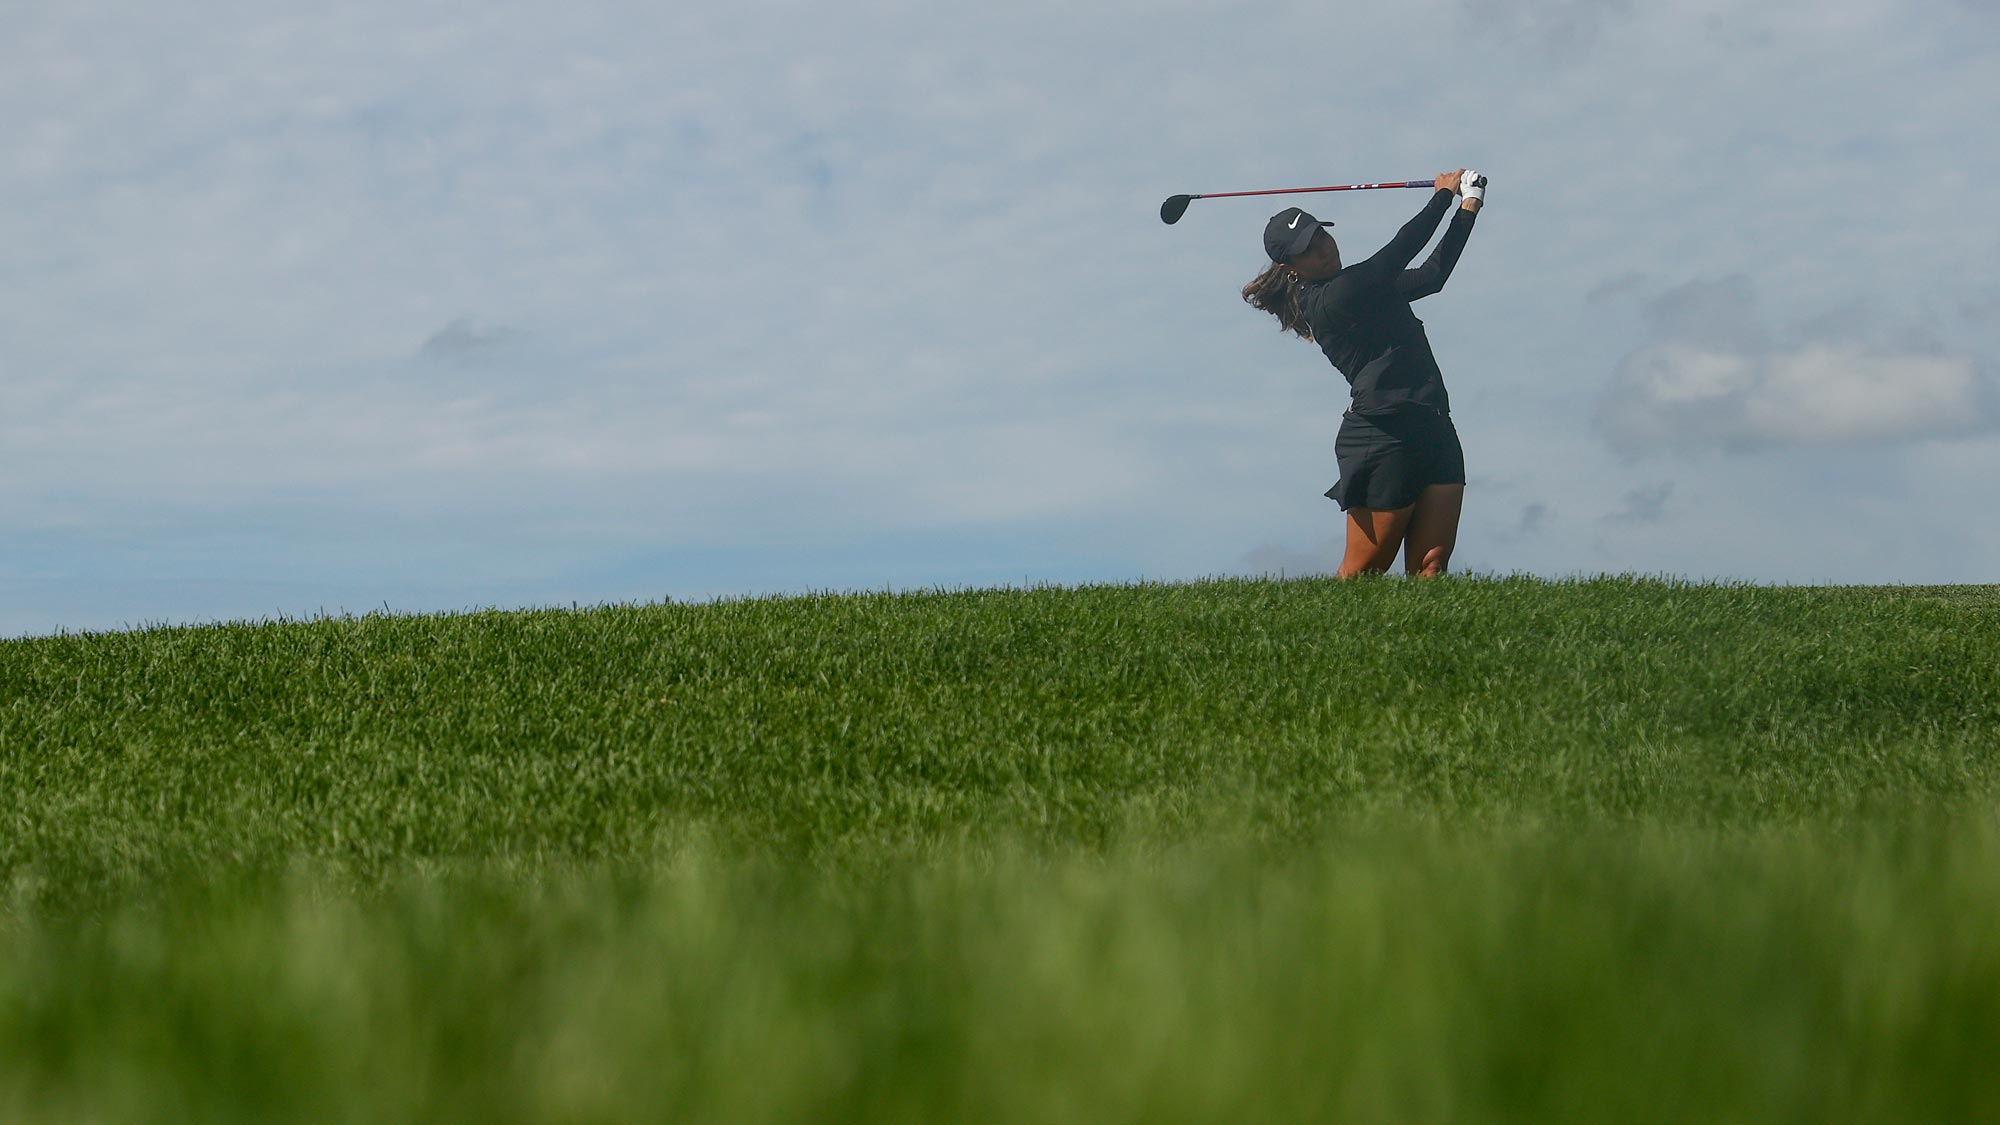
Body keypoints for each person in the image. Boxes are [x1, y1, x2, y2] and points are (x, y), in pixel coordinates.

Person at [1242, 170, 1485, 577]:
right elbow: (1397, 254)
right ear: (1291, 268)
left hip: (1433, 422)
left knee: (1432, 566)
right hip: (1381, 435)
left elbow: (1432, 277)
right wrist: (1442, 196)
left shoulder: (1359, 284)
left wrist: (1468, 206)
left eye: (1321, 236)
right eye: (1309, 248)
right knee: (1362, 572)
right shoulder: (1334, 296)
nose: (1323, 248)